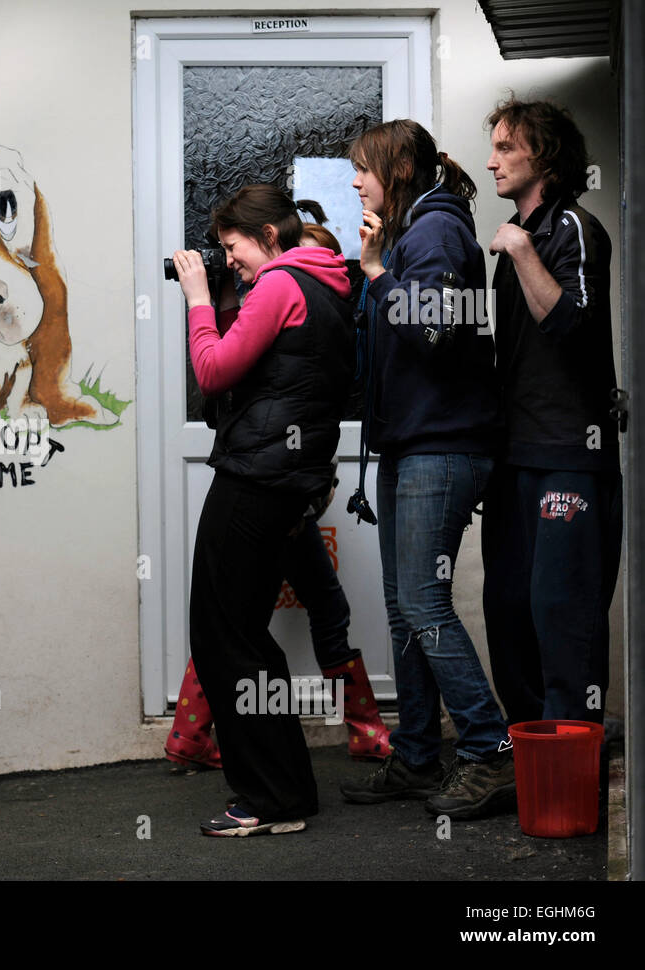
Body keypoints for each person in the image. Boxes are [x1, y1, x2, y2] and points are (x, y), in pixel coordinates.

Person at [337, 120, 513, 821]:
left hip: (444, 447)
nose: (355, 182)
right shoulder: (414, 232)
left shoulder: (436, 232)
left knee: (422, 603)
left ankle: (490, 751)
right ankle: (415, 756)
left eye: (364, 168)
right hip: (411, 445)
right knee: (406, 609)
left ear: (402, 169)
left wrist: (377, 274)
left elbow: (434, 332)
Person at [173, 185, 354, 836]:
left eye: (232, 248)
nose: (230, 262)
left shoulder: (279, 284)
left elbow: (215, 370)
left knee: (222, 634)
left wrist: (198, 300)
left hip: (256, 477)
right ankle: (284, 794)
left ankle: (265, 798)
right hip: (289, 480)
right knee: (248, 636)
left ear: (270, 237)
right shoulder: (329, 284)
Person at [481, 98, 622, 726]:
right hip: (514, 456)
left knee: (561, 615)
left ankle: (573, 766)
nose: (493, 162)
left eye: (507, 147)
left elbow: (573, 327)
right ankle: (529, 760)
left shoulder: (573, 229)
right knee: (508, 612)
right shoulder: (522, 242)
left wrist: (521, 253)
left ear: (547, 156)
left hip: (569, 455)